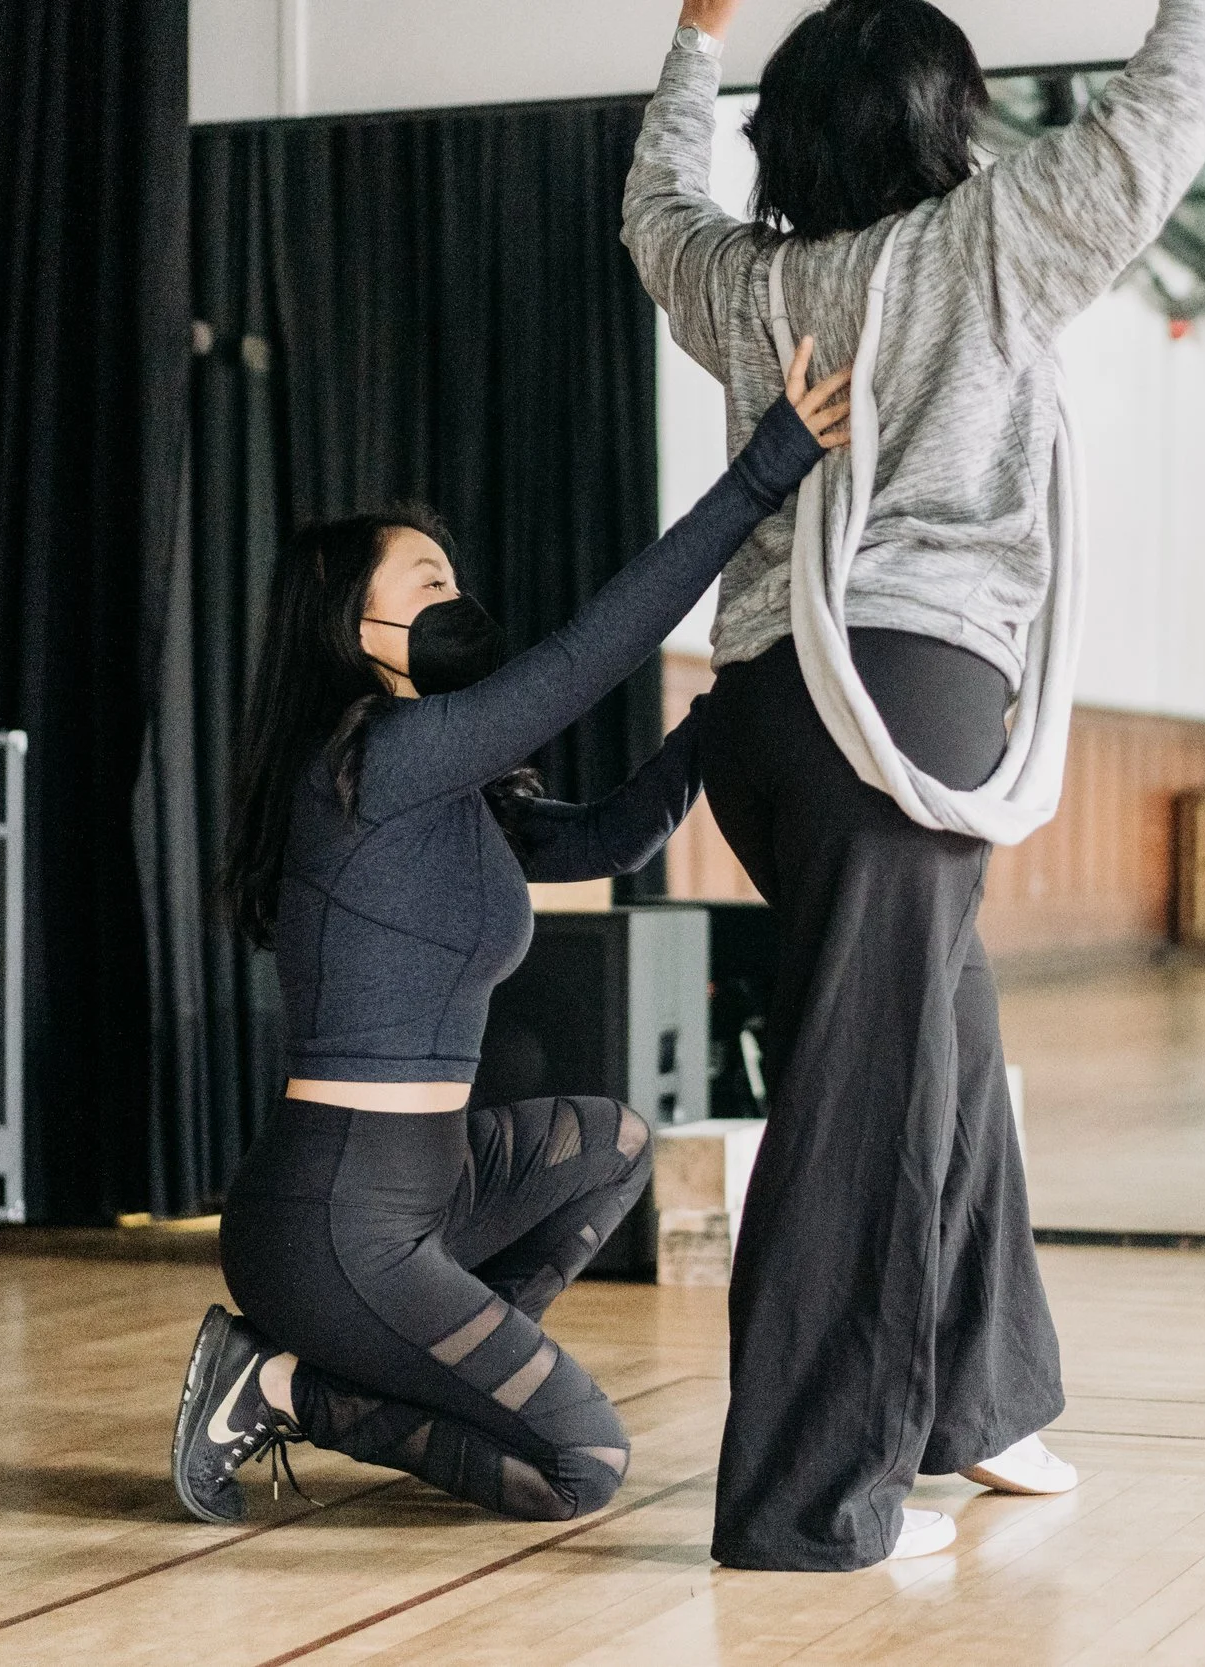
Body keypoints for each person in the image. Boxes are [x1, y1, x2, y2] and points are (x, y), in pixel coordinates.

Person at [625, 0, 1205, 1570]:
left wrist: (693, 42)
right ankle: (808, 1499)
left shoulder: (748, 282)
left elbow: (655, 207)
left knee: (946, 1046)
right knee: (869, 1094)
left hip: (766, 712)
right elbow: (1168, 111)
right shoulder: (984, 244)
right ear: (937, 119)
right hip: (896, 700)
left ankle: (979, 1396)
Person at [165, 353, 851, 1527]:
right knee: (582, 1462)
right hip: (334, 1218)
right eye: (427, 579)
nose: (456, 595)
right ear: (355, 620)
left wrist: (731, 699)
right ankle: (283, 1387)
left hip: (425, 1192)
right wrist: (763, 471)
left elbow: (617, 836)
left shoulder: (442, 787)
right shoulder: (374, 755)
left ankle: (427, 1368)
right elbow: (587, 655)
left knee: (614, 1142)